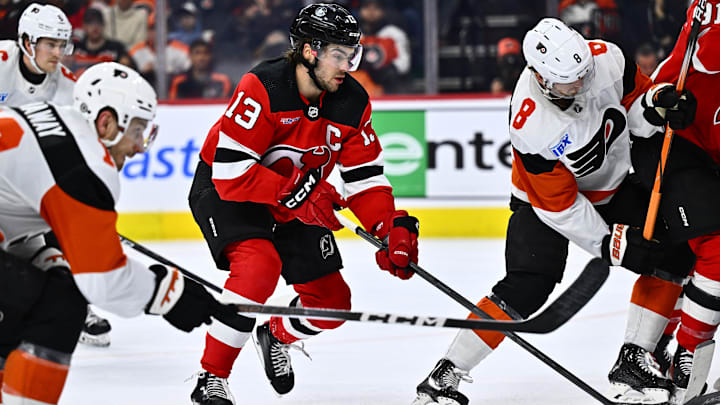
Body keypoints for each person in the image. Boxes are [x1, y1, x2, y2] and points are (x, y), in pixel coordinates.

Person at [411, 17, 696, 405]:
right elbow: (559, 206)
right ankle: (445, 375)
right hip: (541, 203)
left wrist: (658, 105)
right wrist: (609, 244)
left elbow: (634, 107)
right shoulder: (531, 123)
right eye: (568, 81)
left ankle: (635, 357)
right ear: (541, 78)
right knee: (527, 287)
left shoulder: (606, 58)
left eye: (583, 74)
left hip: (611, 186)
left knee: (674, 249)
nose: (580, 84)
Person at [187, 3, 420, 404]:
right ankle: (211, 377)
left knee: (331, 303)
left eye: (352, 54)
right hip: (231, 191)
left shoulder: (352, 101)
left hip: (295, 196)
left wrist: (388, 226)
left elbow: (365, 177)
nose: (348, 65)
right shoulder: (264, 85)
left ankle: (276, 333)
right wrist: (303, 192)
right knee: (259, 270)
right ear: (310, 51)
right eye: (338, 54)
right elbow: (231, 173)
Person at [0, 61, 237, 405]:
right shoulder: (86, 164)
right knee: (60, 304)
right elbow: (103, 281)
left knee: (40, 294)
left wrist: (48, 259)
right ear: (106, 122)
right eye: (138, 130)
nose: (140, 146)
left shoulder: (52, 119)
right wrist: (172, 295)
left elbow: (12, 217)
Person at [611, 1, 720, 403]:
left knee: (685, 259)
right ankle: (685, 353)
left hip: (702, 148)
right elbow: (707, 52)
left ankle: (649, 351)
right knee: (714, 251)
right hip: (668, 136)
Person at [0, 2, 118, 349]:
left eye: (62, 44)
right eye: (49, 44)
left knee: (58, 226)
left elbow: (78, 147)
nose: (58, 53)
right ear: (26, 42)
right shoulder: (1, 61)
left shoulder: (67, 88)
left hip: (23, 178)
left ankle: (77, 302)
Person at [0, 3, 75, 106]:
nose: (58, 54)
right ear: (28, 44)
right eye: (51, 45)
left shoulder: (68, 84)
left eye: (62, 46)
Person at [70, 7, 134, 77]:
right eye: (90, 23)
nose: (95, 27)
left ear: (103, 25)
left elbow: (128, 69)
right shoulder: (75, 47)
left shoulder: (116, 47)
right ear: (84, 26)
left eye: (98, 23)